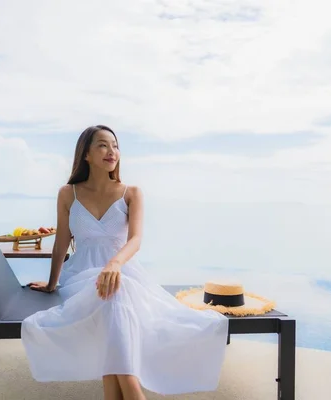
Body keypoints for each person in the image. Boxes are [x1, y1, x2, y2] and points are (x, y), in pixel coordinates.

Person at [21, 125, 229, 400]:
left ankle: (122, 390)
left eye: (115, 145)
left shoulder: (131, 193)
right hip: (82, 275)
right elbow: (61, 243)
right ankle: (132, 389)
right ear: (86, 154)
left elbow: (136, 240)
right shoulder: (67, 193)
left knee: (114, 293)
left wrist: (114, 264)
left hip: (124, 272)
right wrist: (51, 284)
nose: (112, 152)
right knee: (111, 296)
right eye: (103, 145)